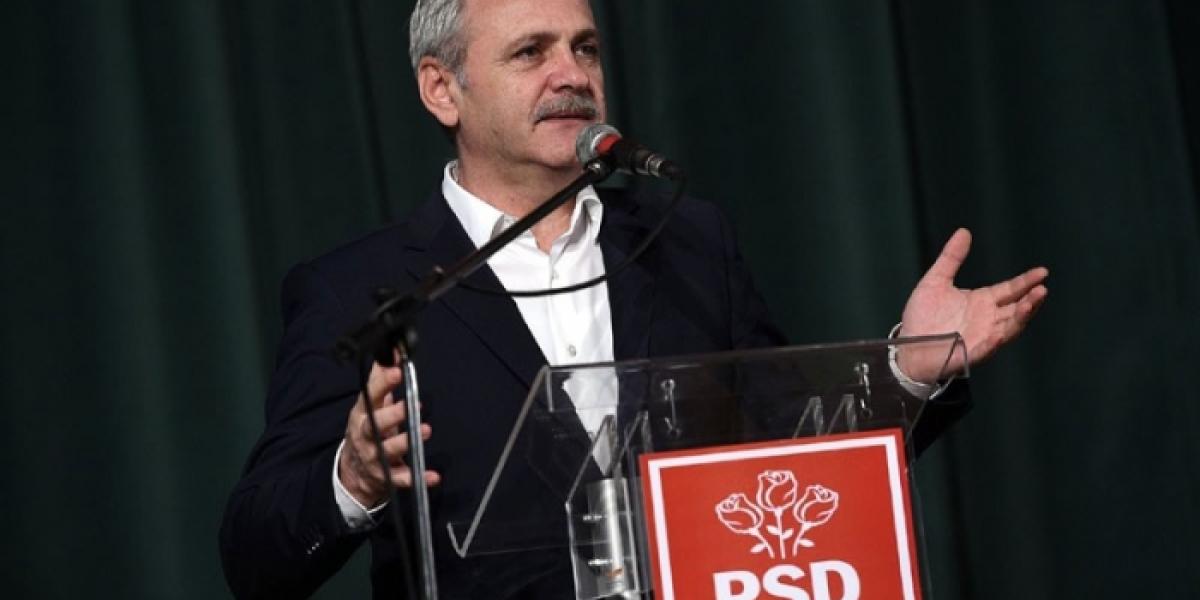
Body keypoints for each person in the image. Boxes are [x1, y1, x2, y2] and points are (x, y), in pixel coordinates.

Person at [219, 0, 1049, 597]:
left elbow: (788, 457)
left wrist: (907, 367)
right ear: (442, 89)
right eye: (531, 53)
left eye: (585, 47)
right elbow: (256, 554)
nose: (572, 75)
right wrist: (353, 477)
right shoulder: (361, 289)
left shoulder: (687, 242)